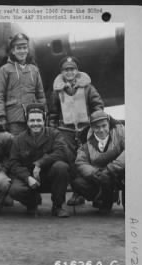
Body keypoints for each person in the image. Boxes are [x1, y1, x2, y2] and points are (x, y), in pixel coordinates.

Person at [48, 55, 104, 206]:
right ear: (62, 72)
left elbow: (97, 105)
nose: (69, 72)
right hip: (65, 131)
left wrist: (95, 121)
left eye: (72, 69)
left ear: (77, 71)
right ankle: (76, 193)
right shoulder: (56, 91)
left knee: (87, 160)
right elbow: (52, 114)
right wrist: (53, 131)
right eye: (66, 70)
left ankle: (91, 191)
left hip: (86, 130)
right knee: (71, 162)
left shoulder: (88, 87)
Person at [8, 104, 70, 217]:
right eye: (32, 120)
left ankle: (58, 206)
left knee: (61, 167)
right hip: (29, 178)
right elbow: (14, 163)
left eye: (38, 120)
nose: (35, 123)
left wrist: (40, 163)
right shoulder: (18, 140)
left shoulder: (54, 134)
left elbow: (62, 152)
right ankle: (32, 203)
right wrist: (27, 178)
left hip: (49, 176)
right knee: (15, 190)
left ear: (44, 120)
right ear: (27, 122)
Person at [71, 111, 125, 215]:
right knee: (78, 183)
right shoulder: (85, 138)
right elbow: (81, 161)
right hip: (99, 175)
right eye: (97, 127)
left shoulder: (120, 131)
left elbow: (130, 150)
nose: (101, 130)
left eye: (104, 125)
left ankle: (127, 204)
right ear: (91, 127)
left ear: (109, 123)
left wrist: (111, 168)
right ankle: (104, 201)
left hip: (119, 171)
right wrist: (95, 173)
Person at [0, 33, 46, 136]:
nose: (22, 51)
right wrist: (1, 116)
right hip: (14, 118)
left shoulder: (34, 70)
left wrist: (44, 113)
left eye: (24, 48)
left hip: (33, 116)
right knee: (16, 146)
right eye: (18, 48)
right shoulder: (4, 70)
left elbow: (40, 95)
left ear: (28, 49)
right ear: (13, 51)